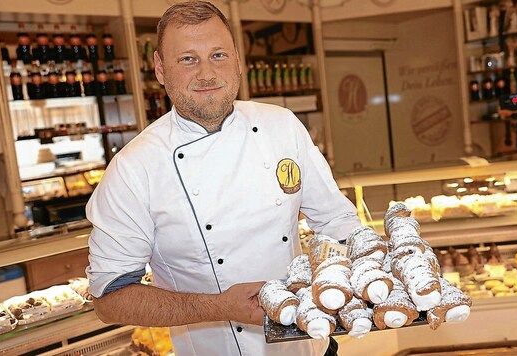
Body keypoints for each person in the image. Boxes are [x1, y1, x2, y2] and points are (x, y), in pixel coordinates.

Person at [86, 1, 360, 355]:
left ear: (238, 60)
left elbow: (335, 218)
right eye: (187, 59)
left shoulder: (282, 126)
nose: (206, 74)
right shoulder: (134, 168)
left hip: (311, 344)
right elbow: (109, 299)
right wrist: (218, 307)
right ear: (159, 68)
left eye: (218, 55)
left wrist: (359, 268)